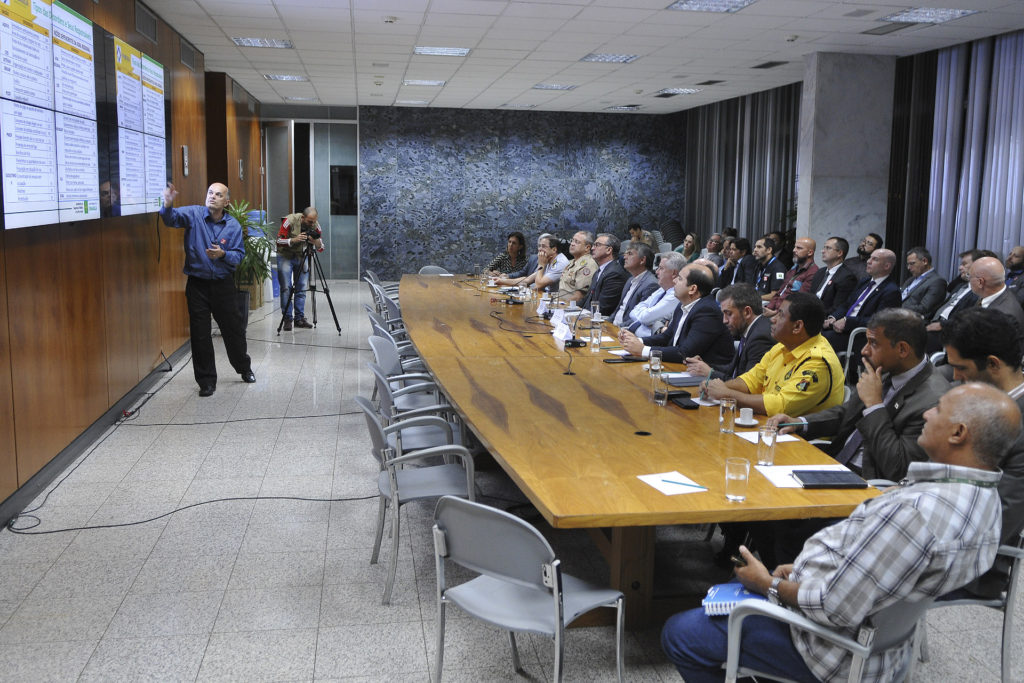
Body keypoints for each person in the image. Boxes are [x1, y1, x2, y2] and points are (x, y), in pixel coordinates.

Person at [661, 382, 1018, 683]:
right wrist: (801, 570)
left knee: (681, 634)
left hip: (832, 651)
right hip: (885, 643)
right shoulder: (986, 502)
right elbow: (879, 576)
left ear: (959, 433)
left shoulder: (916, 515)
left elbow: (834, 608)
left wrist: (767, 583)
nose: (926, 414)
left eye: (938, 410)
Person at [769, 308, 948, 481]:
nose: (864, 351)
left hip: (868, 483)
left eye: (873, 343)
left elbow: (898, 468)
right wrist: (800, 423)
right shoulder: (884, 369)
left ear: (902, 349)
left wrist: (875, 406)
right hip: (834, 464)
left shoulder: (933, 401)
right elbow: (846, 414)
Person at [941, 309, 1024, 598]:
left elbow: (999, 520)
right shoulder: (978, 399)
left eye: (961, 368)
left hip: (970, 561)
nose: (955, 376)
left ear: (992, 364)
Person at [160, 182, 255, 397]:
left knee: (233, 331)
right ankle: (206, 381)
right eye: (210, 193)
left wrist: (223, 254)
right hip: (198, 285)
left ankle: (244, 367)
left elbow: (238, 255)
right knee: (200, 335)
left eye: (218, 194)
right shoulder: (193, 214)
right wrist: (167, 204)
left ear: (226, 201)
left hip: (223, 285)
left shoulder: (233, 226)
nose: (213, 197)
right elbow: (171, 219)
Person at [704, 292, 844, 417]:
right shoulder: (781, 347)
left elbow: (781, 406)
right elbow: (750, 381)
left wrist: (726, 394)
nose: (772, 319)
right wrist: (715, 388)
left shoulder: (818, 362)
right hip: (769, 427)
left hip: (799, 440)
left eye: (780, 315)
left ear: (797, 327)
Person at [619, 264, 734, 366]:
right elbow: (666, 337)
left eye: (679, 278)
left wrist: (643, 350)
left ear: (692, 289)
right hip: (679, 368)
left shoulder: (707, 312)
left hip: (706, 377)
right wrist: (637, 341)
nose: (674, 281)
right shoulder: (682, 306)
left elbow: (685, 353)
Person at [685, 283, 774, 380]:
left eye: (729, 314)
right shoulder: (751, 330)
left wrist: (710, 373)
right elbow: (733, 369)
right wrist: (704, 365)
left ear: (747, 312)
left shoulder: (760, 338)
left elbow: (747, 386)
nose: (724, 320)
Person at [822, 248, 901, 353]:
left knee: (819, 340)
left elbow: (880, 322)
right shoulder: (865, 281)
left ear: (887, 266)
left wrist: (847, 321)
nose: (868, 261)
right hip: (841, 328)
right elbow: (847, 304)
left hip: (859, 336)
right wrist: (834, 317)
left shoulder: (891, 291)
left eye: (875, 259)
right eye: (870, 258)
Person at [924, 248, 983, 352]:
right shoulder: (960, 286)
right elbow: (942, 307)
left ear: (977, 266)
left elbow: (966, 319)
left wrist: (943, 325)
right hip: (933, 322)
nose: (960, 268)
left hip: (947, 331)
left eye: (964, 264)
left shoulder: (978, 293)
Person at [276, 207, 325, 330]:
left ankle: (299, 319)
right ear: (303, 218)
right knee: (286, 288)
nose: (312, 224)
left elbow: (321, 248)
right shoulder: (289, 221)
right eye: (309, 222)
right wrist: (294, 239)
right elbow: (278, 240)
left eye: (314, 221)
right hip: (285, 256)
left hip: (302, 256)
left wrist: (316, 242)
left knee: (302, 288)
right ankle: (287, 318)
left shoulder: (316, 226)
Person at [625, 252, 685, 336]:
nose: (656, 272)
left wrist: (645, 317)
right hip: (632, 334)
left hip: (647, 342)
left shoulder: (675, 296)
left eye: (661, 268)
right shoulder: (662, 289)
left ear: (674, 273)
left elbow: (645, 318)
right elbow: (634, 311)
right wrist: (646, 319)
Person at [763, 237, 818, 317]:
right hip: (776, 311)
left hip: (789, 315)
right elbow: (779, 292)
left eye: (799, 248)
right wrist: (769, 308)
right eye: (795, 247)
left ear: (810, 253)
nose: (794, 250)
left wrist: (776, 313)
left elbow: (800, 301)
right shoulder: (793, 269)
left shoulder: (812, 272)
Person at [610, 244, 659, 327]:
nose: (624, 257)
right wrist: (604, 323)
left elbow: (638, 319)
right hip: (613, 327)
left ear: (642, 260)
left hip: (624, 331)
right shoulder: (630, 280)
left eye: (630, 254)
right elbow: (618, 309)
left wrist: (615, 329)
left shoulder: (651, 285)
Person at [967, 256, 1024, 327]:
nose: (968, 279)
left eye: (969, 276)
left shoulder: (1001, 317)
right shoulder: (989, 295)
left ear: (980, 282)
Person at [580, 233, 628, 316]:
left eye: (597, 245)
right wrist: (568, 308)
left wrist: (580, 314)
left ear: (609, 250)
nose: (592, 248)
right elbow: (587, 299)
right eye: (593, 245)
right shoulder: (599, 271)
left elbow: (603, 308)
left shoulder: (614, 274)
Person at [807, 236, 857, 312]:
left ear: (839, 253)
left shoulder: (847, 277)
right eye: (824, 248)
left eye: (828, 248)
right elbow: (810, 296)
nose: (823, 251)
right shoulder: (820, 272)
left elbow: (838, 307)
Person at [899, 246, 945, 318]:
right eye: (908, 264)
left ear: (924, 261)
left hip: (912, 319)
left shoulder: (937, 281)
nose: (908, 268)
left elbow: (924, 308)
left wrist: (896, 308)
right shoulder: (910, 279)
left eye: (912, 264)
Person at [557, 231, 598, 304]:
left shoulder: (588, 264)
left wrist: (560, 307)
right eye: (572, 240)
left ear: (587, 247)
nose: (572, 244)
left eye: (577, 242)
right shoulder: (571, 262)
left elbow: (578, 297)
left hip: (570, 308)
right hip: (560, 302)